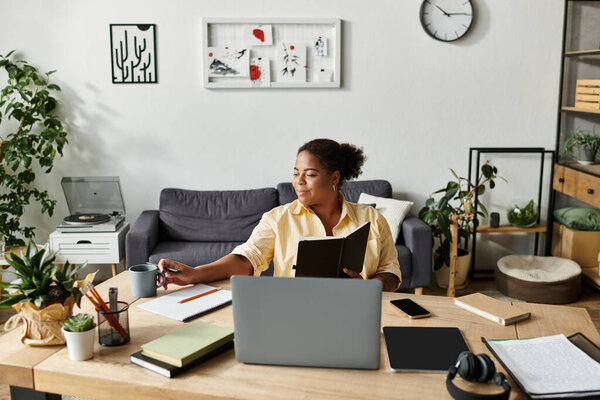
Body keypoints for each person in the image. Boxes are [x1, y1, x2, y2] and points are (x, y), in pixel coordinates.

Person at [158, 138, 401, 291]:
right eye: (296, 173)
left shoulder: (371, 218)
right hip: (294, 314)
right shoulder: (278, 218)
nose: (299, 182)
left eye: (310, 174)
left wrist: (368, 289)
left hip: (357, 313)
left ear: (334, 178)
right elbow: (247, 259)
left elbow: (390, 271)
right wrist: (194, 273)